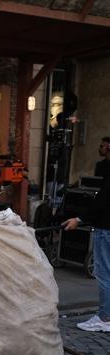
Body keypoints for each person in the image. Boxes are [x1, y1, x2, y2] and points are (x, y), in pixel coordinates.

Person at [62, 136, 110, 332]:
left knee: (105, 274)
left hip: (107, 229)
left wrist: (79, 220)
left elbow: (103, 202)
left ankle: (105, 317)